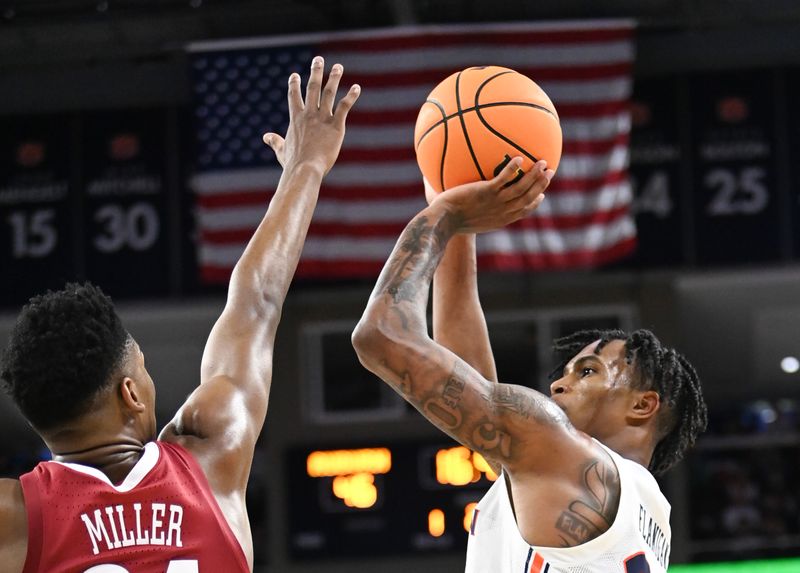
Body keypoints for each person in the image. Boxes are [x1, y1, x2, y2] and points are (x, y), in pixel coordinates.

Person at [0, 56, 359, 573]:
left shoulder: (16, 520)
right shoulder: (211, 456)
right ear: (129, 392)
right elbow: (257, 303)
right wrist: (306, 169)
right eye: (141, 367)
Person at [352, 159, 707, 573]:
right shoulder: (641, 511)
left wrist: (443, 215)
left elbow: (381, 337)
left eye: (587, 371)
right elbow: (470, 375)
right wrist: (462, 229)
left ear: (643, 405)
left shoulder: (568, 461)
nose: (557, 385)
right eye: (566, 372)